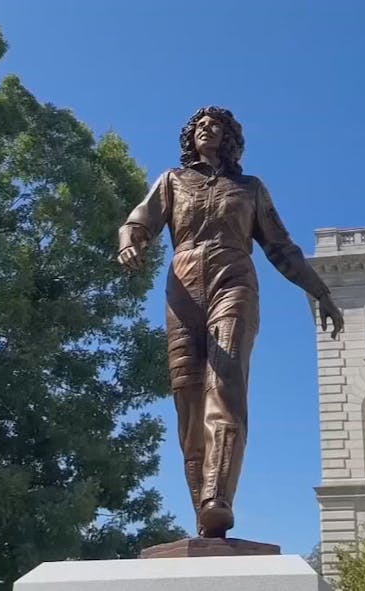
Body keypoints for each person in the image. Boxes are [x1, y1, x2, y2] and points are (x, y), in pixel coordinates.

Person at [117, 106, 343, 538]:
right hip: (182, 291)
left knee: (224, 385)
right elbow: (137, 220)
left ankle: (217, 498)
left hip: (233, 283)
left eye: (216, 125)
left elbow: (283, 249)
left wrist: (321, 292)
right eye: (200, 125)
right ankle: (201, 508)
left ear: (229, 137)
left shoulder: (250, 189)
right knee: (188, 399)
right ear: (191, 136)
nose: (207, 129)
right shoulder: (172, 181)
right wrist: (131, 241)